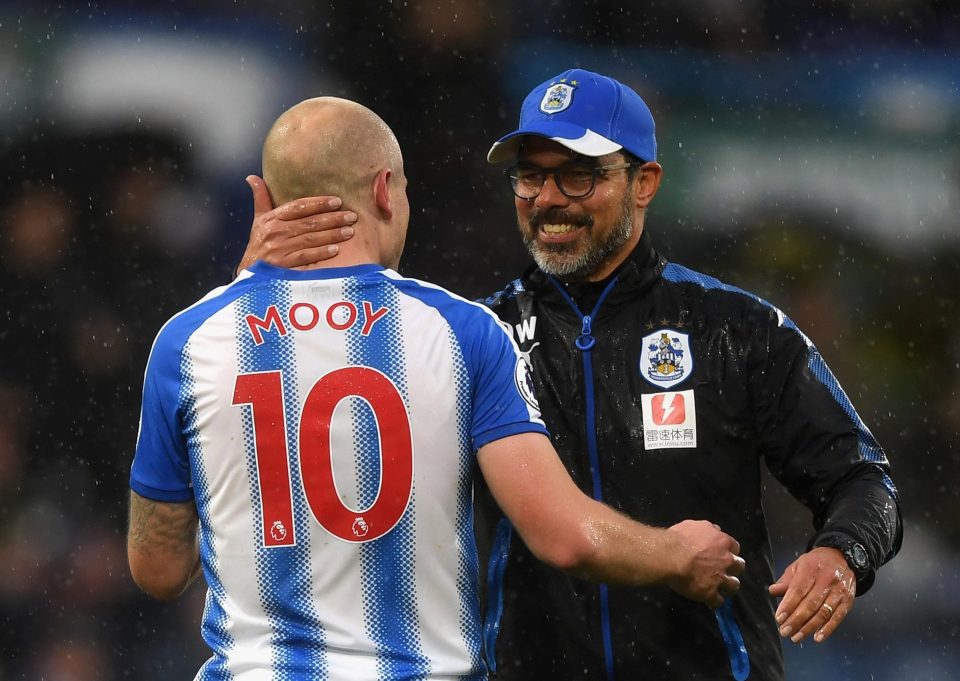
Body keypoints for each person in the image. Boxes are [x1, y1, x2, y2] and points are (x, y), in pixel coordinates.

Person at [235, 70, 903, 680]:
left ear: (645, 182)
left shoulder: (738, 330)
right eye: (531, 175)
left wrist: (840, 554)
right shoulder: (465, 338)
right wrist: (254, 288)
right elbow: (311, 432)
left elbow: (862, 479)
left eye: (578, 175)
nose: (548, 199)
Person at [127, 96, 747, 681]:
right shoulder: (462, 333)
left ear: (263, 198)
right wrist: (676, 554)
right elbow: (562, 535)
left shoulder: (191, 340)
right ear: (383, 191)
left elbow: (157, 570)